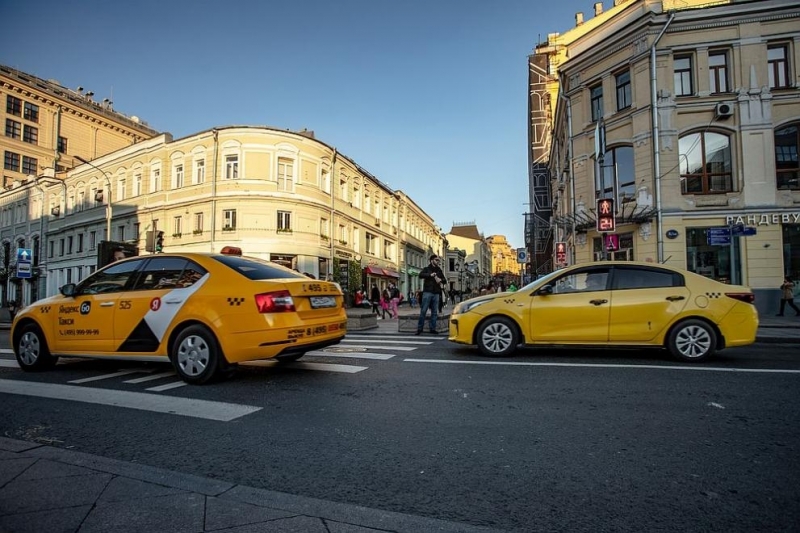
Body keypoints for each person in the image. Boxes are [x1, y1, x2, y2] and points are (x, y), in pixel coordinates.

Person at [416, 254, 446, 335]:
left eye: (438, 260)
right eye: (436, 260)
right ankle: (419, 329)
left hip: (436, 292)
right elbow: (420, 275)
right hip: (427, 292)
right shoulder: (427, 269)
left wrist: (440, 279)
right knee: (423, 310)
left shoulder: (439, 270)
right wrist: (430, 275)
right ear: (432, 260)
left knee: (434, 312)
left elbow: (444, 280)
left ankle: (432, 328)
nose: (438, 261)